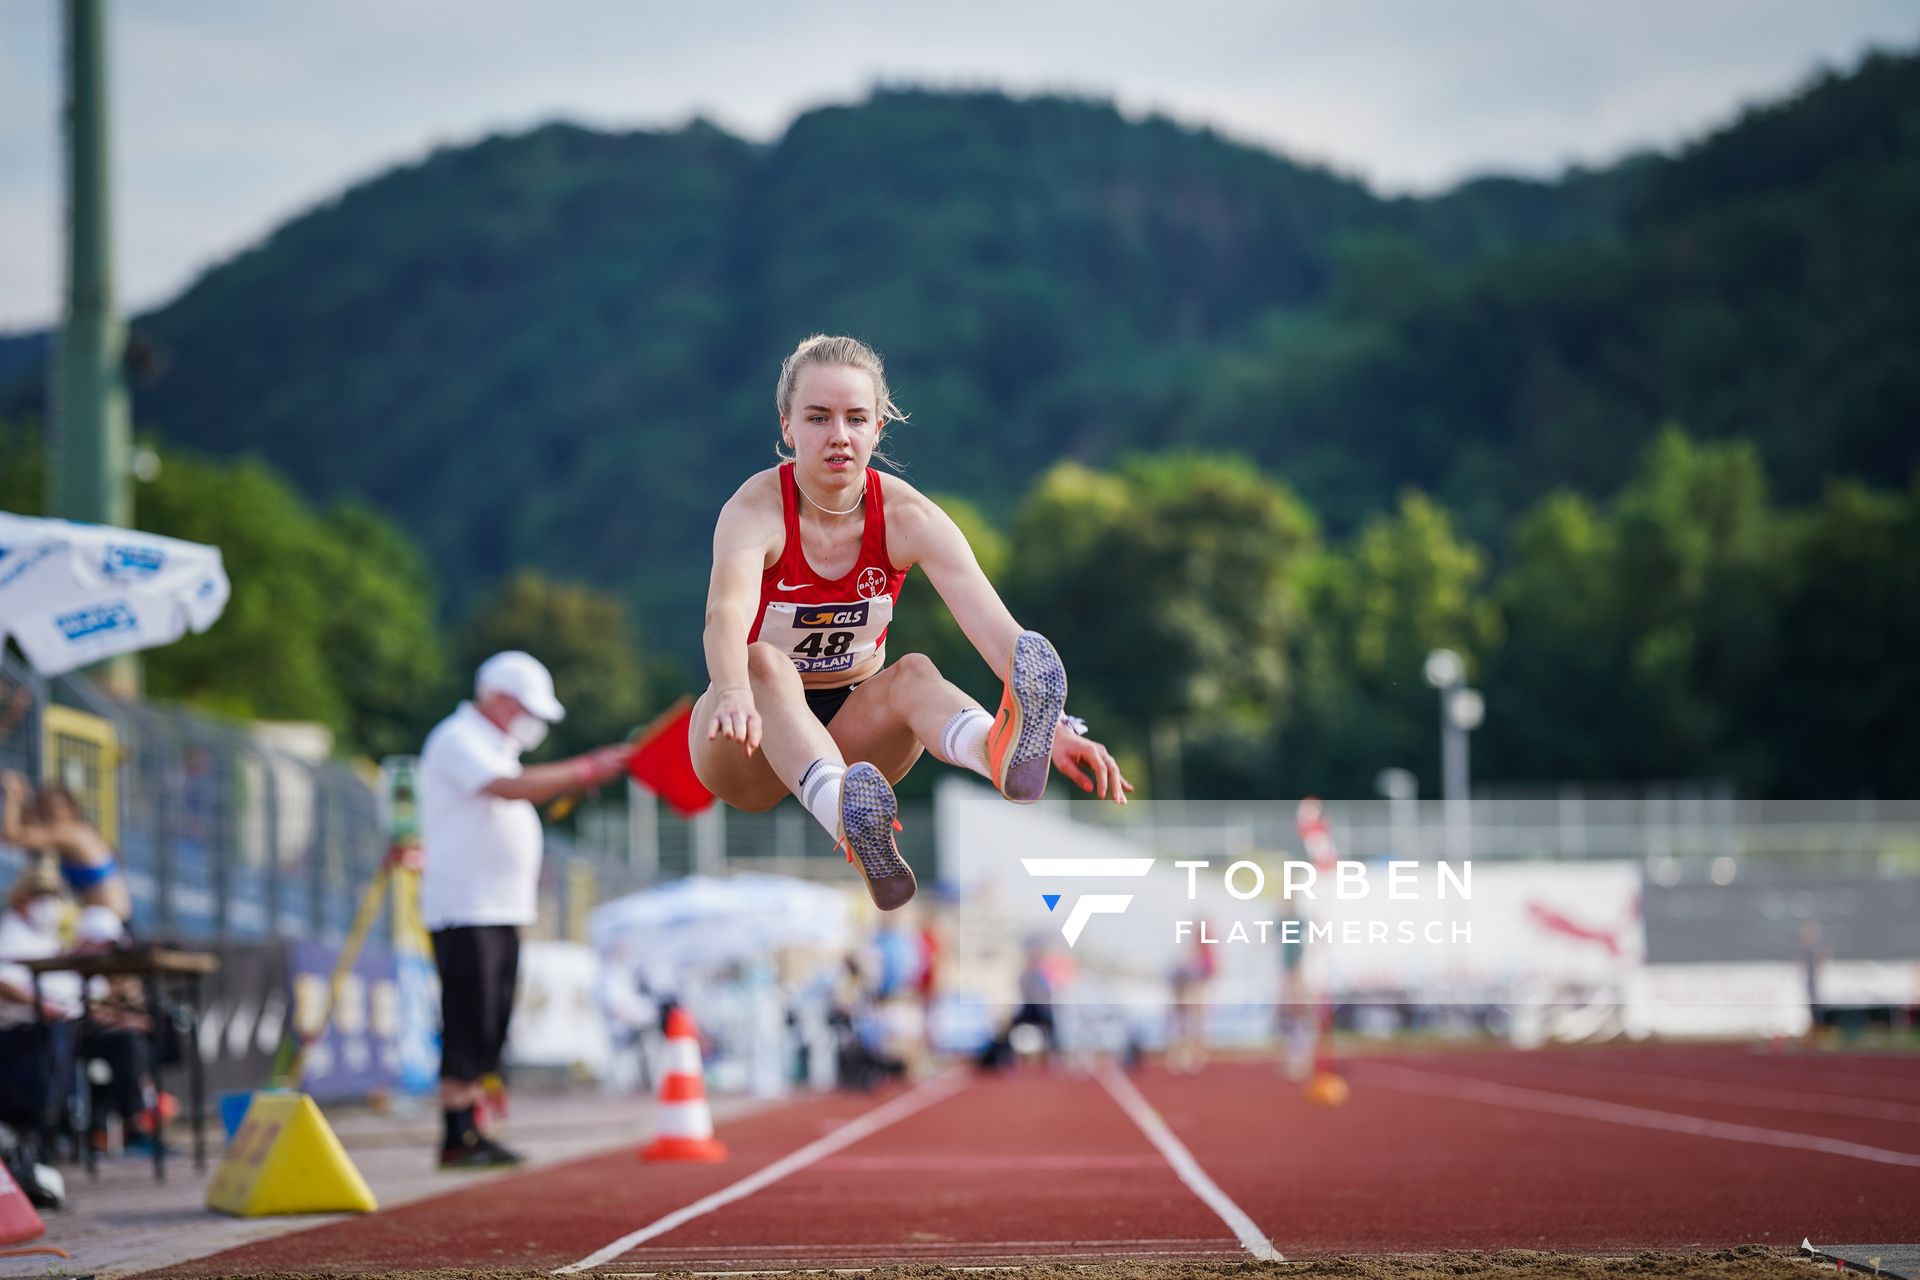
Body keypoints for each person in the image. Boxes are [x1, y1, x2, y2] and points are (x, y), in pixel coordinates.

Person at [693, 334, 1133, 910]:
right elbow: (724, 614)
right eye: (818, 418)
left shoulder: (908, 516)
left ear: (879, 429)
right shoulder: (754, 511)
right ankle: (846, 813)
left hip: (856, 730)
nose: (839, 436)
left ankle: (993, 750)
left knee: (915, 671)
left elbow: (1002, 636)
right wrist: (730, 692)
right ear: (787, 427)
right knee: (764, 662)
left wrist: (1057, 728)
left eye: (856, 419)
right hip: (746, 732)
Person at [418, 650, 634, 1169]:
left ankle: (472, 1126)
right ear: (498, 699)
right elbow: (510, 789)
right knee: (469, 1014)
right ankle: (457, 1132)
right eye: (524, 708)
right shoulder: (459, 740)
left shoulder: (491, 746)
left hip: (497, 906)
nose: (531, 721)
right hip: (466, 904)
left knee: (491, 1017)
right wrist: (584, 769)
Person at [1, 770, 132, 922]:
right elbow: (25, 833)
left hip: (106, 925)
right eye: (43, 807)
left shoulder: (68, 832)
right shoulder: (80, 829)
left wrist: (11, 795)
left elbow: (12, 836)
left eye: (53, 807)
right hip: (112, 920)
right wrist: (23, 799)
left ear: (70, 807)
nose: (48, 812)